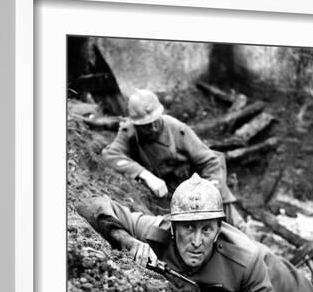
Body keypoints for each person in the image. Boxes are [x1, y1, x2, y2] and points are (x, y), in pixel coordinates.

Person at [77, 174, 313, 292]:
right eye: (188, 228)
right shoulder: (155, 231)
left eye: (206, 229)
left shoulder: (247, 257)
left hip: (277, 277)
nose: (196, 241)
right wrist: (128, 241)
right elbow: (90, 204)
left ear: (218, 230)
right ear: (173, 227)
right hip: (239, 291)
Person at [102, 88, 251, 235]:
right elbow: (110, 155)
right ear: (135, 123)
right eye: (146, 125)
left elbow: (210, 162)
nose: (153, 128)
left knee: (238, 230)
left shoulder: (177, 129)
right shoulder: (130, 132)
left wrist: (209, 195)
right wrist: (145, 174)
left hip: (203, 186)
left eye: (156, 120)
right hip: (175, 198)